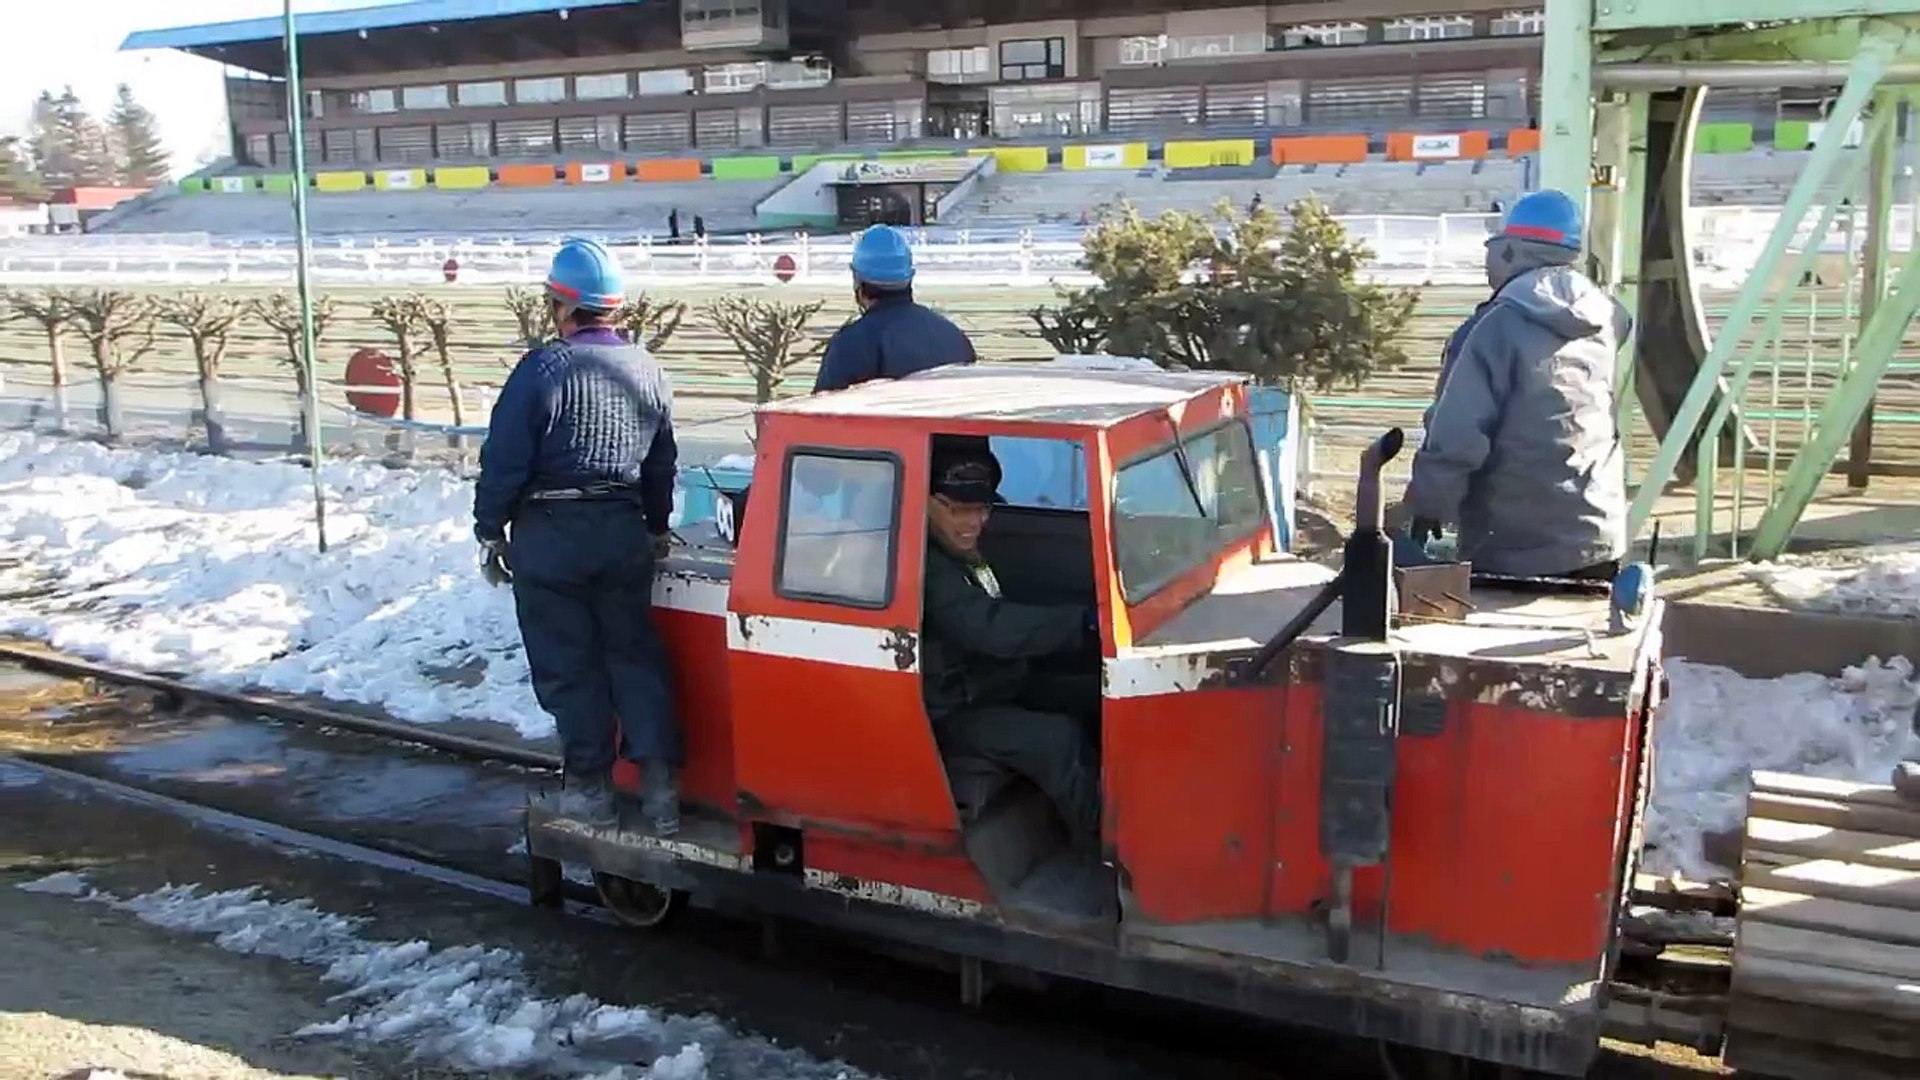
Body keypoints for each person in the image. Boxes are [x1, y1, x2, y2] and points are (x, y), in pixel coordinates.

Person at [473, 237, 683, 834]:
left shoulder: (543, 370)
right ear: (613, 307)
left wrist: (490, 529)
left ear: (561, 305)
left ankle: (591, 790)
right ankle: (662, 790)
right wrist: (656, 526)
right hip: (621, 533)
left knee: (570, 665)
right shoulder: (648, 369)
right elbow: (662, 463)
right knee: (634, 657)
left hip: (550, 538)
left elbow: (505, 463)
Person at [1400, 189, 1630, 580]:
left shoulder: (1496, 326)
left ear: (1511, 252)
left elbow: (1456, 433)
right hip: (1598, 534)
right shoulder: (1607, 317)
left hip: (1516, 546)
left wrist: (1428, 506)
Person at [919, 442, 1102, 863]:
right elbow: (991, 629)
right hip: (950, 711)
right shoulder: (929, 566)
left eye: (981, 509)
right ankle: (1110, 859)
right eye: (955, 509)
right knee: (1058, 741)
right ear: (926, 503)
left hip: (988, 685)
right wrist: (1081, 624)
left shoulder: (957, 551)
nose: (972, 522)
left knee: (1096, 696)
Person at [812, 225, 977, 393]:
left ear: (857, 280)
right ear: (909, 276)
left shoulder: (850, 345)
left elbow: (818, 414)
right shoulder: (953, 336)